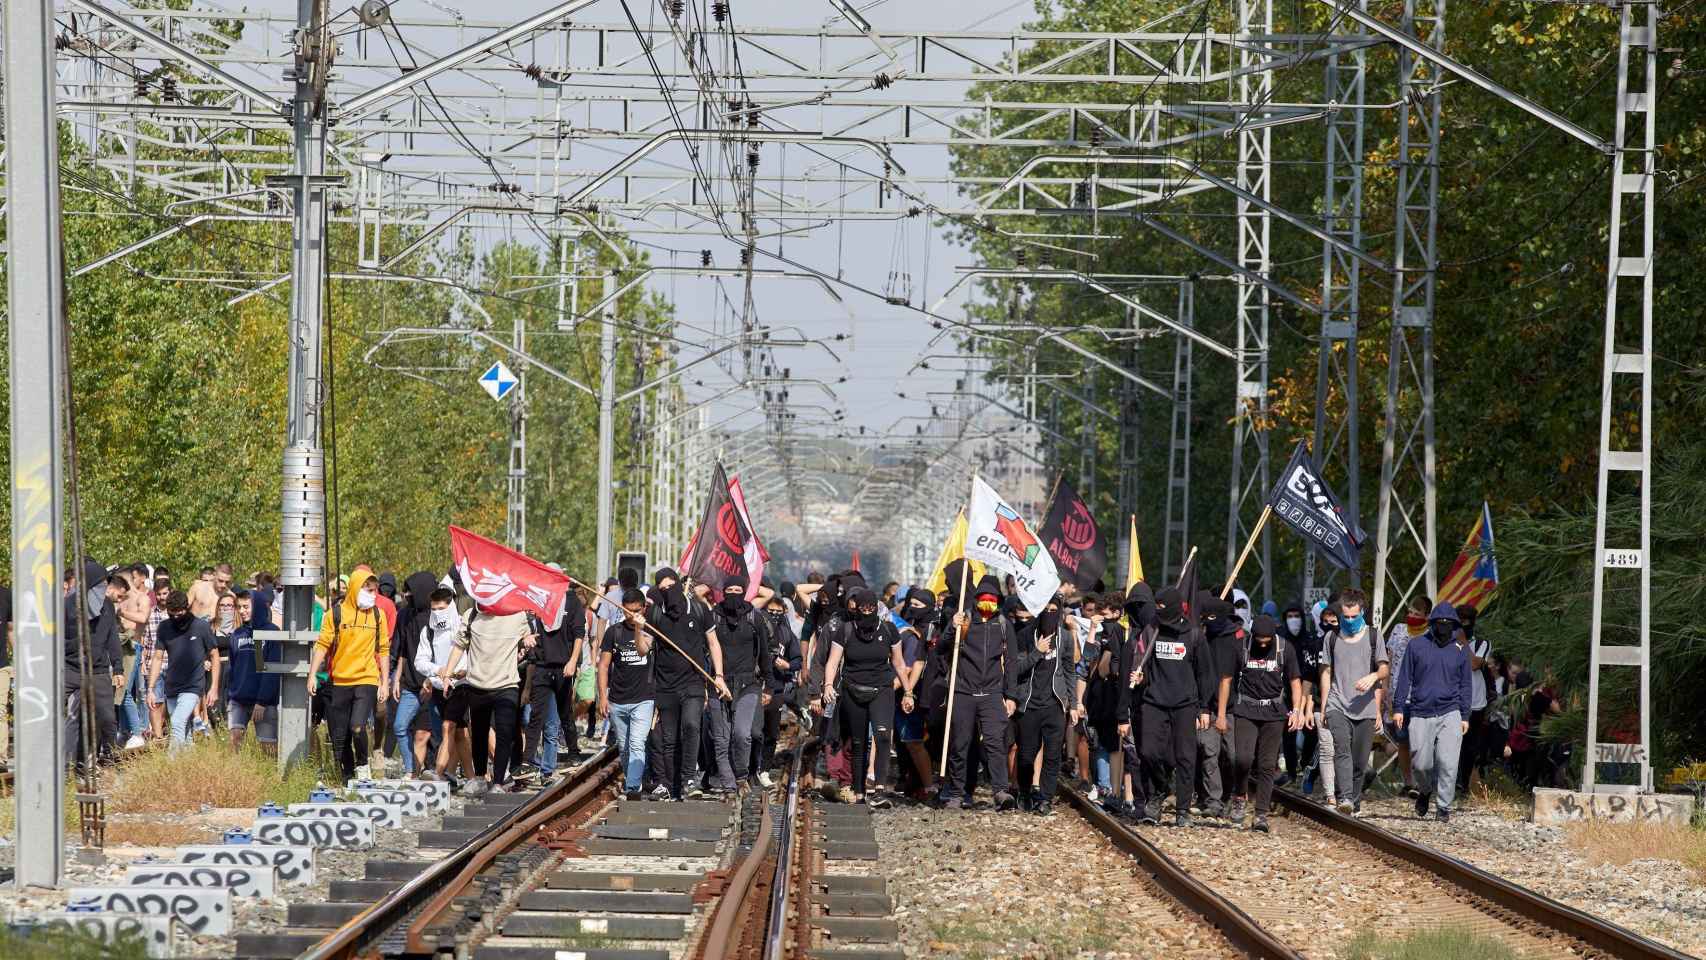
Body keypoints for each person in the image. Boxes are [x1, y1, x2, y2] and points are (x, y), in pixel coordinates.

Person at [822, 588, 913, 807]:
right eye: (863, 608)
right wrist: (827, 684)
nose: (867, 611)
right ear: (857, 609)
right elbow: (833, 662)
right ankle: (859, 790)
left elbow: (899, 663)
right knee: (858, 741)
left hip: (882, 689)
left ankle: (880, 789)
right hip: (853, 689)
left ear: (877, 608)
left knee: (882, 736)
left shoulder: (889, 630)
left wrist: (908, 692)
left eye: (871, 608)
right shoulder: (845, 631)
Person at [1135, 587, 1216, 827]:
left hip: (1185, 704)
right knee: (1148, 751)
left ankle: (1182, 810)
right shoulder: (1152, 630)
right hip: (1154, 701)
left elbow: (1205, 674)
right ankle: (1160, 789)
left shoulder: (1193, 634)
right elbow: (1142, 662)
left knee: (1185, 757)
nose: (1158, 611)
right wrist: (1140, 678)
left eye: (1162, 607)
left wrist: (1204, 708)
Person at [938, 575, 1019, 811]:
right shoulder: (964, 620)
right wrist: (952, 629)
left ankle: (1000, 791)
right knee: (960, 744)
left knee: (995, 743)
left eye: (992, 599)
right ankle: (956, 792)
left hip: (992, 693)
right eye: (983, 599)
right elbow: (942, 649)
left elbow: (1011, 662)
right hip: (963, 691)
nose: (987, 603)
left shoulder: (1003, 624)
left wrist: (1010, 695)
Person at [648, 567, 729, 800]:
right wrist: (637, 627)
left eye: (670, 587)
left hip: (693, 681)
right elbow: (644, 647)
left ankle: (688, 779)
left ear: (678, 584)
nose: (667, 592)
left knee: (692, 726)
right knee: (669, 737)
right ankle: (671, 784)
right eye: (662, 589)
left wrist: (719, 676)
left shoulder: (699, 609)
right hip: (665, 685)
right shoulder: (655, 614)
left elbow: (713, 643)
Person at [307, 568, 391, 781]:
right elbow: (322, 645)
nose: (372, 594)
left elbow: (383, 650)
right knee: (339, 736)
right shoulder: (334, 615)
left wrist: (384, 683)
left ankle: (363, 765)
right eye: (367, 590)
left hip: (367, 679)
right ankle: (347, 777)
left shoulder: (377, 615)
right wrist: (312, 675)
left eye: (374, 590)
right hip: (339, 681)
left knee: (357, 726)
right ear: (354, 589)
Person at [1392, 602, 1474, 821]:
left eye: (1449, 623)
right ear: (1432, 623)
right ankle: (1425, 790)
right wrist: (1398, 707)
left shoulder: (1460, 649)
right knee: (1420, 763)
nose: (1444, 627)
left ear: (1455, 625)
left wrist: (1465, 715)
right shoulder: (1417, 645)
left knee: (1448, 762)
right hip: (1420, 710)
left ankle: (1444, 807)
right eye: (1440, 623)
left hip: (1451, 711)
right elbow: (1404, 677)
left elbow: (1466, 684)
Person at [442, 601, 534, 794]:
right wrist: (447, 674)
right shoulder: (471, 615)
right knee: (479, 734)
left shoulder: (516, 615)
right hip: (477, 685)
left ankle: (499, 782)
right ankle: (479, 777)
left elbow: (527, 634)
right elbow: (459, 646)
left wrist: (528, 639)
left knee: (503, 734)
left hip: (506, 684)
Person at [1225, 614, 1305, 831]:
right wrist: (1222, 712)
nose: (1262, 643)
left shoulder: (1284, 648)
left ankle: (1261, 814)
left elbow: (1295, 681)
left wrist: (1296, 710)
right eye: (1258, 639)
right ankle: (1240, 795)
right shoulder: (1241, 647)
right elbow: (1227, 679)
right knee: (1242, 758)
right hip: (1246, 709)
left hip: (1274, 711)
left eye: (1266, 640)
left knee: (1267, 765)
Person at [1319, 588, 1388, 815]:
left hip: (1365, 708)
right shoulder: (1331, 638)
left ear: (1362, 612)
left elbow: (1384, 668)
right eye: (1345, 617)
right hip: (1338, 704)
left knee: (1359, 762)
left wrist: (1373, 676)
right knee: (1342, 750)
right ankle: (1345, 798)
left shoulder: (1373, 636)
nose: (1349, 621)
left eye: (1353, 617)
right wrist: (1324, 707)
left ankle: (1354, 802)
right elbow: (1326, 673)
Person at [1011, 594, 1081, 815]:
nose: (1050, 614)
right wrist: (1037, 652)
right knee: (1026, 756)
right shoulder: (1025, 635)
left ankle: (1045, 799)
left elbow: (1070, 671)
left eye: (1054, 610)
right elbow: (1016, 668)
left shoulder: (1066, 639)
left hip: (1055, 705)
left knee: (1052, 756)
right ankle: (1024, 791)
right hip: (1029, 705)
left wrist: (1073, 703)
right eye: (1046, 609)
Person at [707, 582, 770, 794]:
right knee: (721, 738)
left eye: (738, 591)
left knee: (742, 734)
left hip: (748, 685)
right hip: (718, 684)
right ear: (722, 593)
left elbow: (764, 654)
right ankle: (727, 781)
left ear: (745, 593)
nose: (733, 595)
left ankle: (742, 775)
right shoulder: (713, 616)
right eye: (729, 591)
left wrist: (769, 685)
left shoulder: (754, 617)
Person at [522, 580, 586, 782]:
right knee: (537, 718)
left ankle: (559, 761)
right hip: (541, 667)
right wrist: (526, 636)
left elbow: (579, 634)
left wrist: (573, 661)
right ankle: (528, 761)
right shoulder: (538, 600)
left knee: (562, 716)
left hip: (563, 668)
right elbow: (525, 624)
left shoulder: (571, 601)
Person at [598, 588, 655, 799]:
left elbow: (642, 650)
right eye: (627, 611)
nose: (631, 616)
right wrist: (603, 697)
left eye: (636, 611)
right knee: (624, 747)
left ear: (644, 608)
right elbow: (604, 666)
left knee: (637, 743)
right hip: (618, 700)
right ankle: (634, 778)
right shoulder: (613, 632)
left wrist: (639, 629)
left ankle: (632, 788)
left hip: (644, 698)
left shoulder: (651, 630)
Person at [148, 590, 219, 749]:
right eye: (171, 614)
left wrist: (213, 687)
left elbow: (214, 655)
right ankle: (188, 765)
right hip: (172, 686)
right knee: (184, 732)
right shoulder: (164, 627)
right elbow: (158, 658)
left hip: (193, 686)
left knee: (177, 723)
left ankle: (171, 765)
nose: (176, 618)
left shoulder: (200, 626)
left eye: (179, 614)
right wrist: (151, 689)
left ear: (187, 609)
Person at [391, 571, 442, 777]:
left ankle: (436, 772)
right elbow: (402, 649)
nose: (406, 596)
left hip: (433, 686)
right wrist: (396, 679)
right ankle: (412, 770)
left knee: (430, 734)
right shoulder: (404, 615)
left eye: (411, 591)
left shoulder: (437, 615)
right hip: (411, 685)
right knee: (400, 726)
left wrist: (433, 679)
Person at [1197, 593, 1240, 819]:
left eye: (1211, 617)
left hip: (1228, 709)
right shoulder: (1204, 637)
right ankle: (1213, 799)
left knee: (1232, 756)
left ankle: (1231, 797)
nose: (1207, 621)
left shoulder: (1228, 640)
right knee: (1209, 753)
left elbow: (1225, 680)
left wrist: (1221, 714)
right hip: (1206, 708)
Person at [415, 587, 464, 781]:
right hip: (437, 690)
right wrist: (436, 672)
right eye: (433, 609)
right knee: (451, 734)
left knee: (452, 730)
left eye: (441, 608)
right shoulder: (428, 631)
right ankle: (453, 775)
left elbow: (467, 656)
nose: (437, 613)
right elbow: (420, 661)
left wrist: (452, 675)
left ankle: (442, 771)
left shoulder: (462, 626)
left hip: (460, 686)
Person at [1384, 593, 1430, 797]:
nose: (1411, 615)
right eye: (1410, 612)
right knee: (1402, 741)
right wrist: (1385, 687)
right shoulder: (1399, 630)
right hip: (1397, 695)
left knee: (1419, 741)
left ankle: (1423, 782)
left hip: (1420, 696)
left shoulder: (1430, 635)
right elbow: (1388, 658)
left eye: (1417, 613)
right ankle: (1408, 782)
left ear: (1427, 616)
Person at [226, 590, 282, 754]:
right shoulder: (237, 634)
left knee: (268, 747)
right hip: (239, 699)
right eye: (239, 607)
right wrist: (230, 695)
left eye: (246, 607)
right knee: (234, 740)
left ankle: (271, 777)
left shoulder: (272, 632)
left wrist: (262, 701)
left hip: (263, 702)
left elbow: (270, 670)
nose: (241, 611)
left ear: (256, 606)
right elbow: (233, 667)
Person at [891, 587, 934, 801]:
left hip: (920, 692)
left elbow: (917, 663)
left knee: (915, 741)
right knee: (907, 742)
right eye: (911, 605)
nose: (912, 609)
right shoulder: (908, 625)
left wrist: (907, 690)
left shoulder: (930, 629)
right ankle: (914, 782)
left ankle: (928, 786)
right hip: (907, 692)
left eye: (918, 606)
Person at [1276, 600, 1316, 786]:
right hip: (1285, 693)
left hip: (1307, 692)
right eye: (1290, 617)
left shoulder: (1309, 639)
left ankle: (1306, 765)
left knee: (1311, 731)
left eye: (1297, 616)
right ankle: (1291, 772)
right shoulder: (1280, 639)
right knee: (1288, 733)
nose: (1294, 620)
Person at [1456, 603, 1492, 798]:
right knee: (1451, 744)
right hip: (1453, 700)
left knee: (1469, 747)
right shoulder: (1448, 642)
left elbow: (1474, 664)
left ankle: (1463, 784)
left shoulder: (1482, 644)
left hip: (1476, 703)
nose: (1462, 625)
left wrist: (1462, 642)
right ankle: (1449, 782)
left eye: (1465, 621)